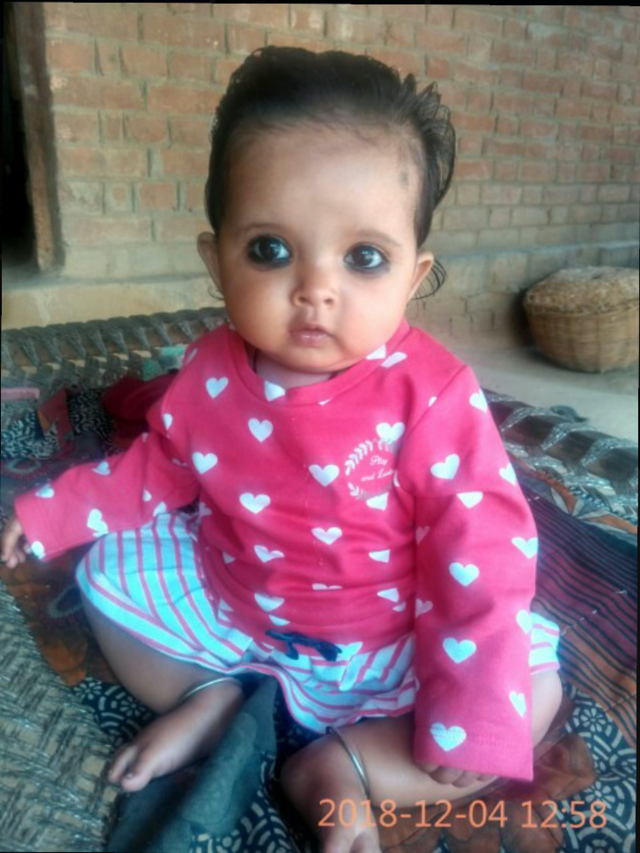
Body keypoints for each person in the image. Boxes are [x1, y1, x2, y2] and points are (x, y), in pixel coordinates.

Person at [1, 47, 564, 853]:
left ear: (413, 277)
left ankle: (347, 766)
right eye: (270, 249)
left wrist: (471, 702)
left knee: (524, 695)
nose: (315, 288)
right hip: (237, 607)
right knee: (105, 576)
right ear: (216, 259)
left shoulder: (432, 395)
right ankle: (210, 696)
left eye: (364, 257)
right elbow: (155, 470)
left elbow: (483, 548)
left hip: (389, 638)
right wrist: (50, 515)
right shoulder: (208, 372)